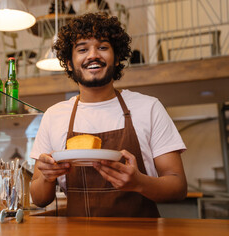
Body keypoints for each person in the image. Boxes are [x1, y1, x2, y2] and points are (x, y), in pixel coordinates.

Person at [29, 13, 187, 217]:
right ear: (69, 63)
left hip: (141, 234)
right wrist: (47, 178)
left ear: (118, 58)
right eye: (82, 49)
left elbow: (178, 186)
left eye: (103, 47)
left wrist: (140, 183)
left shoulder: (148, 108)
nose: (93, 55)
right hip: (77, 235)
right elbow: (39, 198)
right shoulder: (54, 115)